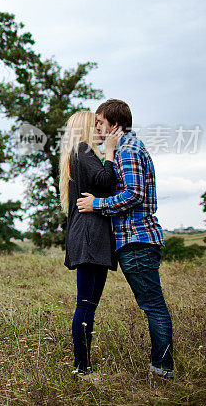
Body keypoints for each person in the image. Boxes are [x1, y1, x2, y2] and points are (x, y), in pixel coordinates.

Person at [77, 99, 175, 380]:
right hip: (137, 240)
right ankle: (162, 365)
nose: (96, 127)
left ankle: (163, 368)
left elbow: (134, 194)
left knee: (153, 305)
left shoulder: (127, 151)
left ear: (114, 125)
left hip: (136, 240)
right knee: (152, 304)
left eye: (100, 123)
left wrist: (97, 204)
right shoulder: (129, 147)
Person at [59, 111, 121, 379]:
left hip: (86, 235)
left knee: (86, 303)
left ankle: (82, 365)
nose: (99, 127)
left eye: (100, 123)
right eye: (94, 123)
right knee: (85, 304)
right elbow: (107, 180)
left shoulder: (77, 154)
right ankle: (82, 367)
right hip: (89, 236)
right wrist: (110, 152)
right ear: (84, 128)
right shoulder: (83, 150)